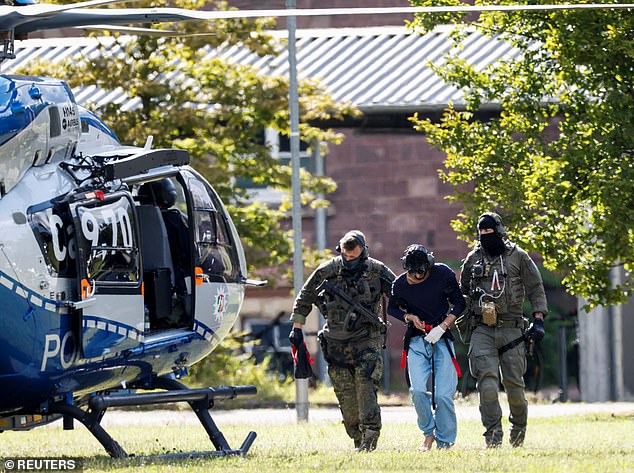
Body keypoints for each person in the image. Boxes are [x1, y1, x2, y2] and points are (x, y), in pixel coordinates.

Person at [288, 230, 395, 452]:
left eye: (353, 257)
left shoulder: (377, 271)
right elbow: (305, 297)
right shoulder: (327, 271)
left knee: (365, 386)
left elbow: (401, 294)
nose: (349, 261)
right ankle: (357, 436)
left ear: (363, 253)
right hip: (336, 343)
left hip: (366, 340)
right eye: (346, 257)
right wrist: (297, 327)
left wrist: (412, 315)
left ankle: (370, 437)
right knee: (346, 396)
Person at [460, 212, 547, 448]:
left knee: (515, 389)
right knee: (486, 384)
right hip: (482, 329)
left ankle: (518, 431)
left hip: (512, 329)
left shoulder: (518, 257)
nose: (487, 236)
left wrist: (538, 320)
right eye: (482, 233)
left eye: (490, 232)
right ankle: (493, 437)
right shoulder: (473, 259)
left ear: (499, 231)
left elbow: (536, 288)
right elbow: (463, 290)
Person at [387, 244, 465, 451]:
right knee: (418, 390)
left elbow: (459, 303)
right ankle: (428, 433)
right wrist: (409, 317)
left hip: (441, 337)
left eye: (421, 272)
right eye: (412, 273)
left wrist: (443, 326)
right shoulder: (400, 284)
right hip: (416, 340)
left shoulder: (442, 273)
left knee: (442, 395)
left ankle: (446, 441)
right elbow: (392, 308)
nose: (417, 276)